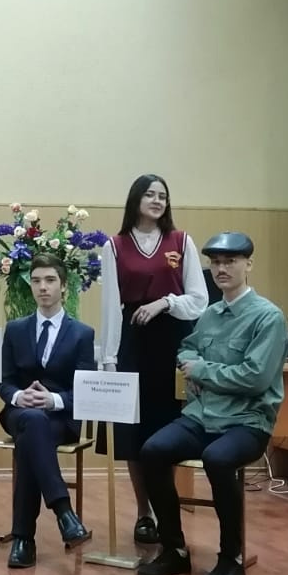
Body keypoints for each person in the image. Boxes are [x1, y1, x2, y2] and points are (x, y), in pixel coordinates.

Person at [136, 232, 287, 575]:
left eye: (230, 261)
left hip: (247, 421)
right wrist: (191, 361)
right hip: (203, 416)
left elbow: (254, 378)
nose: (221, 269)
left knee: (217, 459)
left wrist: (202, 371)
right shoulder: (210, 314)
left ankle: (231, 557)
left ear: (248, 264)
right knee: (152, 451)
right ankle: (174, 549)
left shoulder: (268, 317)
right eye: (216, 262)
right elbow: (186, 348)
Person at [97, 174, 208, 546]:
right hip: (134, 344)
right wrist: (109, 359)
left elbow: (199, 299)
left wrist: (164, 302)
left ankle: (165, 512)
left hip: (174, 343)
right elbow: (111, 307)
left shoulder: (182, 241)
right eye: (150, 194)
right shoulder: (114, 246)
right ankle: (144, 513)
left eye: (163, 195)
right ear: (136, 200)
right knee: (135, 432)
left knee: (168, 428)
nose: (158, 201)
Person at [0, 254, 95, 569]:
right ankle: (64, 513)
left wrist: (52, 400)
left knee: (32, 439)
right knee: (32, 422)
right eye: (36, 280)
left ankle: (24, 539)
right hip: (20, 413)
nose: (43, 287)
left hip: (60, 417)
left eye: (50, 280)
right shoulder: (15, 329)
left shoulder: (82, 334)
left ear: (64, 287)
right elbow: (5, 383)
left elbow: (84, 391)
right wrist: (19, 396)